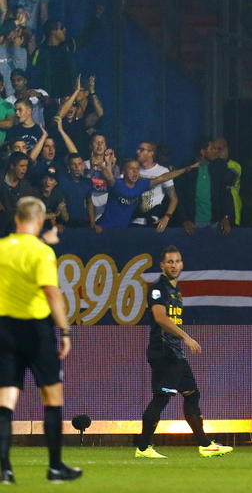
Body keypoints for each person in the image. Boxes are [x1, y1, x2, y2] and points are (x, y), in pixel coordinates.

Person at [0, 197, 81, 482]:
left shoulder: (1, 248)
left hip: (4, 329)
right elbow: (51, 292)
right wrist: (65, 331)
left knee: (5, 400)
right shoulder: (42, 251)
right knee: (52, 397)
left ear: (17, 219)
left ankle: (4, 471)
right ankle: (55, 467)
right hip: (35, 330)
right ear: (38, 220)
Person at [134, 246, 233, 459]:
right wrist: (186, 337)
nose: (174, 265)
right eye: (169, 261)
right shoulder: (157, 289)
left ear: (182, 264)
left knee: (192, 394)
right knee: (161, 398)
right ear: (162, 265)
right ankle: (143, 447)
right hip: (164, 352)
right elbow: (160, 318)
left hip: (175, 353)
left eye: (177, 261)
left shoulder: (175, 291)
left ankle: (205, 444)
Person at [95, 159, 197, 231]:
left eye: (137, 169)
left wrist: (186, 169)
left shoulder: (141, 184)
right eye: (131, 169)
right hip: (104, 228)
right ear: (124, 172)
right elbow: (109, 177)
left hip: (124, 230)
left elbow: (162, 178)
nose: (135, 171)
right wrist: (105, 166)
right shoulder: (117, 184)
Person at [175, 138, 234, 235]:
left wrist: (226, 217)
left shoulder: (219, 166)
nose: (216, 152)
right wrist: (184, 220)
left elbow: (226, 194)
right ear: (202, 151)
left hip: (216, 223)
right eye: (212, 149)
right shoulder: (188, 168)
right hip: (193, 224)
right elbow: (180, 197)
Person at [133, 141, 180, 232]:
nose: (138, 152)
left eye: (142, 150)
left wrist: (166, 218)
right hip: (135, 220)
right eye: (138, 149)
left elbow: (174, 199)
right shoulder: (134, 169)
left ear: (151, 153)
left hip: (153, 222)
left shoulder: (162, 171)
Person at [211, 138, 241, 227]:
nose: (217, 152)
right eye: (214, 149)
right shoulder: (211, 165)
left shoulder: (235, 166)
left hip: (232, 211)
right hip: (217, 210)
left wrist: (218, 161)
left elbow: (227, 180)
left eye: (220, 149)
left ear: (226, 149)